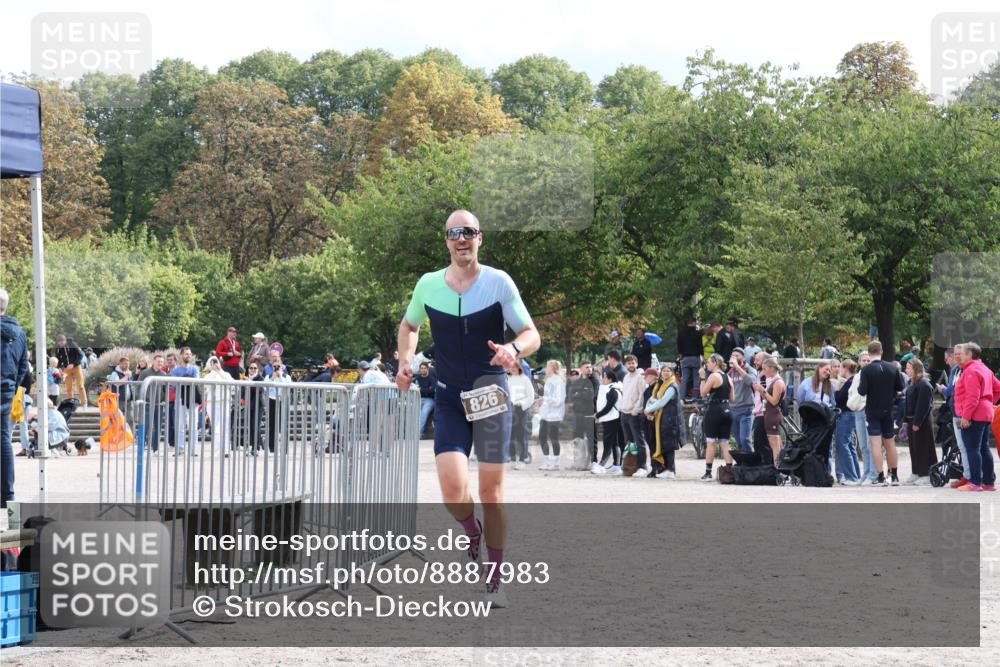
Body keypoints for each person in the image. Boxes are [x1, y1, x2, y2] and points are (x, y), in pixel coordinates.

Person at [395, 209, 540, 609]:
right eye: (454, 233)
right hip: (449, 394)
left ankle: (495, 577)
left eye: (469, 233)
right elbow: (409, 326)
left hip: (490, 391)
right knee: (452, 490)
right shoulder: (428, 285)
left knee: (491, 493)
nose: (462, 239)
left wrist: (513, 348)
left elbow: (531, 333)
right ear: (446, 240)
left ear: (480, 239)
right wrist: (405, 360)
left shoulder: (498, 283)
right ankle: (469, 527)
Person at [953, 342, 1000, 492]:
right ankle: (988, 482)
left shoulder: (971, 371)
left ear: (969, 354)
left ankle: (975, 482)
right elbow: (998, 388)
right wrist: (988, 403)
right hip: (986, 413)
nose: (960, 355)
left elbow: (972, 397)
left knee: (972, 448)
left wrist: (966, 417)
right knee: (984, 448)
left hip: (974, 414)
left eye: (963, 353)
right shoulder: (985, 369)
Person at [857, 340, 904, 486]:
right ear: (881, 351)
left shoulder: (866, 370)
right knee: (890, 443)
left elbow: (862, 391)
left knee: (875, 444)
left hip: (872, 410)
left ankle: (880, 476)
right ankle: (894, 476)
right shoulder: (892, 367)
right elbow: (900, 387)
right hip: (888, 410)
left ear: (869, 353)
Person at [1, 289, 30, 506]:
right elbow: (23, 367)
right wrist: (11, 386)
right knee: (4, 441)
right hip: (6, 391)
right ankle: (7, 494)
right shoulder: (19, 333)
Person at [937, 347, 971, 486]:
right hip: (960, 412)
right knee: (966, 447)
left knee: (966, 446)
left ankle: (970, 476)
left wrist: (942, 389)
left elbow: (951, 390)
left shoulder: (957, 370)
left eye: (947, 359)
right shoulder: (960, 370)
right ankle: (970, 475)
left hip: (961, 413)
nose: (947, 362)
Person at [643, 363, 683, 478]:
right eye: (664, 371)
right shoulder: (662, 384)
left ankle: (671, 470)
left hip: (670, 420)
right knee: (664, 444)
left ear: (672, 373)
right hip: (662, 419)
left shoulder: (672, 386)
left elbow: (662, 402)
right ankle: (666, 469)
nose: (665, 373)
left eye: (668, 371)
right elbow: (655, 399)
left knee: (669, 445)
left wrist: (648, 410)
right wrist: (650, 410)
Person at [902, 359, 936, 485]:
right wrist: (906, 421)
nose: (906, 370)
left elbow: (923, 406)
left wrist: (917, 422)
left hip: (921, 422)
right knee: (914, 448)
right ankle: (916, 472)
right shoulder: (912, 383)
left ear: (916, 369)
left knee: (923, 447)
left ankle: (926, 473)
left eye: (908, 368)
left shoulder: (924, 385)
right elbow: (907, 404)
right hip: (912, 420)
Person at [699, 353, 733, 480]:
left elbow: (703, 393)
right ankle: (730, 471)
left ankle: (708, 472)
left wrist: (702, 378)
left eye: (708, 362)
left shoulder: (713, 376)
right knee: (725, 442)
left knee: (711, 442)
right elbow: (732, 398)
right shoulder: (727, 377)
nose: (707, 364)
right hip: (727, 410)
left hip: (715, 410)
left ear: (715, 362)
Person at [833, 360, 862, 484]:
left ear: (845, 368)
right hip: (850, 415)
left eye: (840, 367)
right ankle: (856, 475)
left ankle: (851, 476)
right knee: (849, 445)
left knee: (842, 444)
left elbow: (839, 399)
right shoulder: (853, 381)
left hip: (846, 415)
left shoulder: (849, 382)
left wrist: (838, 388)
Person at [619, 354, 649, 475]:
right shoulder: (626, 377)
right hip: (624, 413)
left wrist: (636, 410)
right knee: (629, 443)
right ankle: (630, 465)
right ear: (625, 365)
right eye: (629, 363)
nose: (631, 365)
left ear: (636, 364)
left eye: (633, 363)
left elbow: (642, 395)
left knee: (639, 441)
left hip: (634, 414)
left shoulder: (640, 377)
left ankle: (643, 466)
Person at [169, 347, 202, 455]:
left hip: (193, 399)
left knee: (193, 425)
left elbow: (196, 381)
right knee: (180, 424)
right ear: (181, 355)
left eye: (190, 354)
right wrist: (188, 380)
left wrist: (182, 380)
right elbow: (174, 384)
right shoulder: (175, 370)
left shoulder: (195, 369)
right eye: (186, 354)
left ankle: (193, 449)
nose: (188, 356)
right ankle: (180, 448)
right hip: (180, 399)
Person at [753, 358, 786, 468]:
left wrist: (762, 390)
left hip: (772, 415)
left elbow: (774, 401)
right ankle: (780, 469)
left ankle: (778, 470)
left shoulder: (778, 382)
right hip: (769, 414)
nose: (764, 371)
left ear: (772, 368)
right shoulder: (774, 381)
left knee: (775, 446)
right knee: (777, 444)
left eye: (765, 369)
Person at [536, 360, 567, 471]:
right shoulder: (548, 380)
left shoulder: (559, 381)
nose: (546, 368)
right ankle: (547, 462)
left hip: (555, 415)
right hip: (545, 414)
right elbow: (548, 396)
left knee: (554, 438)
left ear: (553, 368)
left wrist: (545, 399)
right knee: (542, 437)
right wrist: (542, 399)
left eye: (547, 366)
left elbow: (559, 400)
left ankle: (556, 463)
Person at [592, 368, 623, 474]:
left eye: (604, 377)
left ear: (610, 379)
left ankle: (601, 465)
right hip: (609, 419)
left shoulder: (613, 390)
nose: (603, 379)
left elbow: (609, 406)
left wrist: (598, 414)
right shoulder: (610, 389)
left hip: (613, 419)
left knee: (608, 442)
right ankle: (617, 465)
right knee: (614, 442)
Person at [727, 347, 757, 453]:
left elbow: (751, 382)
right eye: (733, 356)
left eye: (737, 356)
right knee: (739, 442)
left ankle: (752, 465)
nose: (734, 358)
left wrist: (738, 367)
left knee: (745, 440)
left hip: (746, 410)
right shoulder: (730, 373)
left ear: (743, 358)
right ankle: (743, 466)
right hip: (733, 409)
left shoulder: (750, 369)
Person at [568, 360, 598, 465]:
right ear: (581, 369)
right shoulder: (576, 382)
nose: (589, 369)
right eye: (586, 367)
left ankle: (594, 462)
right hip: (577, 414)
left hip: (589, 414)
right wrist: (582, 393)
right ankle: (579, 461)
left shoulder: (595, 381)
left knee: (591, 440)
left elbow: (591, 396)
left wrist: (578, 394)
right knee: (577, 440)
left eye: (590, 367)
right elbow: (571, 397)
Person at [203, 357, 233, 454]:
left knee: (225, 425)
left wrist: (219, 371)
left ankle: (226, 449)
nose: (215, 364)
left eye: (216, 362)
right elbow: (205, 385)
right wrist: (214, 372)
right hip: (212, 402)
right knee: (215, 426)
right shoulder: (208, 376)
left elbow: (231, 384)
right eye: (213, 362)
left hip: (224, 401)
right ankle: (217, 448)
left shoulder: (226, 374)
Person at [507, 362, 534, 468]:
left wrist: (521, 403)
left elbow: (531, 396)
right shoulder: (507, 379)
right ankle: (513, 459)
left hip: (521, 410)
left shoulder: (525, 379)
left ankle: (522, 460)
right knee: (510, 436)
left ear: (519, 368)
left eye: (515, 367)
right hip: (510, 410)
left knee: (521, 436)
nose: (513, 369)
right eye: (511, 367)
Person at [265, 356, 292, 453]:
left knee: (284, 424)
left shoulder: (286, 376)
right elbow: (265, 388)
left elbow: (288, 387)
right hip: (272, 400)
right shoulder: (268, 376)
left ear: (282, 366)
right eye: (275, 366)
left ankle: (284, 448)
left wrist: (280, 376)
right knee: (272, 424)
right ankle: (272, 447)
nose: (276, 368)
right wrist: (272, 378)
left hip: (283, 400)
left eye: (278, 366)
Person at [677, 317, 704, 400]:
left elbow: (679, 345)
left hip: (685, 358)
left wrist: (680, 353)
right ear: (694, 323)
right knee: (696, 377)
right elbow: (700, 345)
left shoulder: (681, 333)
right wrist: (702, 354)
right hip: (695, 357)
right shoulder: (698, 333)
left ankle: (681, 397)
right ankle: (695, 397)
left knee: (685, 378)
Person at [56, 334, 87, 407]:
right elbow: (59, 360)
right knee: (69, 388)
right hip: (67, 369)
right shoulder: (58, 348)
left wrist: (73, 364)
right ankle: (70, 405)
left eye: (62, 343)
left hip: (76, 367)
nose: (61, 345)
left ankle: (84, 403)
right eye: (59, 343)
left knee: (80, 385)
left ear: (65, 341)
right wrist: (60, 367)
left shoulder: (72, 344)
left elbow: (80, 355)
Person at [415, 362, 436, 437]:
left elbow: (432, 390)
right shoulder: (417, 378)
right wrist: (426, 389)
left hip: (429, 400)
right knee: (415, 414)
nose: (423, 370)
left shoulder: (432, 378)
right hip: (418, 398)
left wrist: (420, 389)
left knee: (424, 413)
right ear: (419, 369)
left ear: (427, 369)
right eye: (421, 368)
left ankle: (418, 434)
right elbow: (413, 388)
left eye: (424, 368)